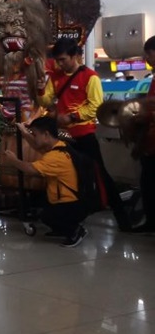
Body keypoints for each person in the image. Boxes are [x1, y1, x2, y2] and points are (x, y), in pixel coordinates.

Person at [37, 39, 124, 226]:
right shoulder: (55, 77)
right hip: (63, 136)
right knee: (69, 176)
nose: (60, 64)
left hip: (84, 134)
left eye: (63, 59)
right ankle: (70, 219)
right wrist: (40, 89)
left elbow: (96, 106)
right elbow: (45, 101)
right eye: (57, 60)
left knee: (99, 174)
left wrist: (72, 117)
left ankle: (122, 217)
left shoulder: (90, 77)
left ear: (75, 56)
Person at [0, 117, 88, 247]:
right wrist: (24, 132)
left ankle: (74, 231)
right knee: (41, 206)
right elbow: (37, 146)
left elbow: (30, 169)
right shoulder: (60, 146)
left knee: (47, 216)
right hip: (70, 200)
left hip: (70, 204)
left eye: (35, 134)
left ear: (46, 134)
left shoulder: (56, 157)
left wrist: (13, 160)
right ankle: (62, 229)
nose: (34, 138)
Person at [138, 36, 155, 231]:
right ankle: (151, 221)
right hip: (150, 142)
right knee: (148, 183)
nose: (147, 59)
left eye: (149, 54)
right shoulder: (153, 79)